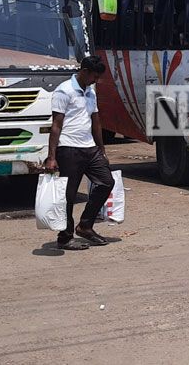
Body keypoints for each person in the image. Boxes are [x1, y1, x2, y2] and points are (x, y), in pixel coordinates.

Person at [43, 55, 114, 251]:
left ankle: (85, 226)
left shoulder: (90, 92)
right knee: (69, 195)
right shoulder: (64, 91)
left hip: (90, 148)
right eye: (94, 76)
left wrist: (102, 149)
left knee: (107, 182)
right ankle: (64, 237)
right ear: (84, 72)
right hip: (69, 148)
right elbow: (56, 125)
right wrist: (52, 156)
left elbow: (96, 121)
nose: (96, 80)